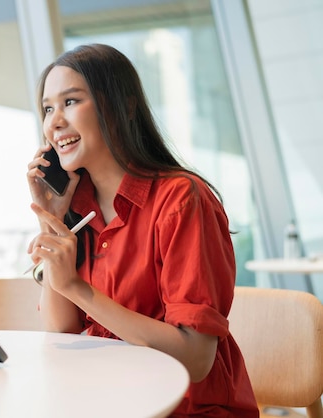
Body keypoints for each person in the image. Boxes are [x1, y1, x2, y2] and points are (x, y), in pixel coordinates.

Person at [26, 43, 258, 416]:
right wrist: (52, 221)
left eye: (71, 102)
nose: (54, 122)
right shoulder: (77, 209)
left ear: (124, 106)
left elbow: (196, 358)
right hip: (111, 401)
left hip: (185, 409)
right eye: (48, 108)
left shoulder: (182, 200)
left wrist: (77, 288)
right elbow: (59, 330)